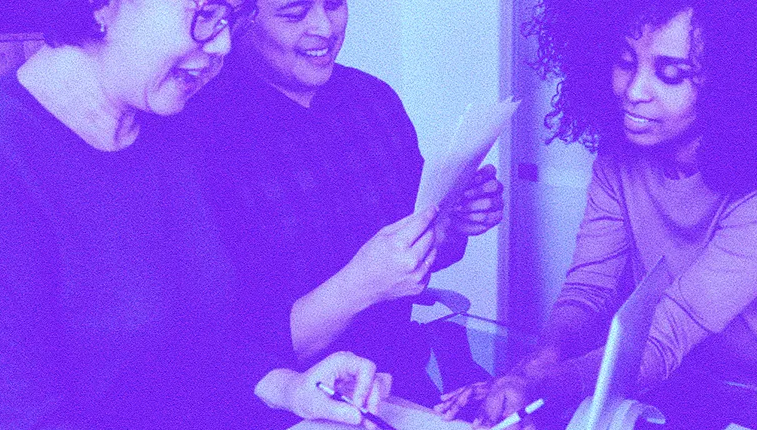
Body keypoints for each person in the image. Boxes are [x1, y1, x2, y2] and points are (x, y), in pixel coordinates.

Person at [0, 0, 392, 430]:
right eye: (205, 13)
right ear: (103, 9)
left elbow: (184, 350)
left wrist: (285, 387)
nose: (224, 44)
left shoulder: (167, 125)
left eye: (232, 18)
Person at [436, 0, 757, 430]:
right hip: (700, 400)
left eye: (670, 73)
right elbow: (588, 291)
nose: (634, 91)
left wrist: (539, 387)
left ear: (737, 83)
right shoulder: (620, 161)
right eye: (626, 61)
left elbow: (670, 332)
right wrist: (534, 367)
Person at [150, 0, 505, 406]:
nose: (324, 27)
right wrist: (359, 287)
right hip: (270, 412)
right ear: (240, 21)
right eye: (294, 14)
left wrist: (451, 223)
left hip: (398, 385)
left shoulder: (373, 100)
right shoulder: (191, 133)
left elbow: (415, 256)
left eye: (335, 5)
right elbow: (220, 357)